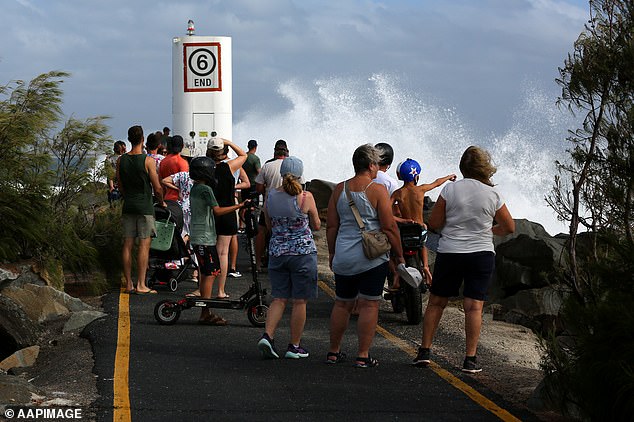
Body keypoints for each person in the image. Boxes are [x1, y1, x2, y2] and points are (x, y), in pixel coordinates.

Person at [412, 146, 515, 373]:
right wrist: (489, 231)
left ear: (463, 167)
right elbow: (509, 226)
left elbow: (436, 223)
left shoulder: (450, 190)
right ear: (484, 167)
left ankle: (425, 351)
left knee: (437, 302)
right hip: (481, 254)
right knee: (473, 307)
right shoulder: (493, 194)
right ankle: (470, 359)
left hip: (451, 251)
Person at [326, 144, 405, 368]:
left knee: (342, 304)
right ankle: (362, 355)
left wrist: (332, 253)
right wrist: (399, 257)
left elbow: (332, 226)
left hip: (344, 255)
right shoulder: (377, 190)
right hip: (371, 258)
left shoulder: (339, 189)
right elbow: (389, 227)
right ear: (371, 165)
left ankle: (333, 352)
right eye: (376, 165)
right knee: (370, 305)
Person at [257, 157, 320, 359]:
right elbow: (317, 225)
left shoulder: (271, 196)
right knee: (300, 301)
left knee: (279, 298)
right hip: (302, 254)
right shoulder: (305, 197)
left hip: (277, 252)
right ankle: (294, 346)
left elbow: (268, 225)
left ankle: (268, 335)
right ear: (301, 175)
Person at [188, 156, 249, 325]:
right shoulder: (206, 190)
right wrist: (239, 205)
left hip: (199, 235)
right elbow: (218, 211)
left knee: (209, 271)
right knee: (209, 273)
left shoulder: (195, 188)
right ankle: (205, 312)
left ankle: (206, 310)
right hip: (204, 237)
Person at [390, 158, 456, 287]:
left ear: (399, 175)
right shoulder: (421, 190)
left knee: (395, 250)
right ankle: (426, 267)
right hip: (419, 229)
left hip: (404, 229)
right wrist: (449, 176)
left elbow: (386, 212)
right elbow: (436, 183)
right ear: (416, 176)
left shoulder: (397, 194)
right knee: (423, 245)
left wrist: (402, 220)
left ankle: (397, 274)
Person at [116, 125, 165, 295]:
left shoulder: (120, 160)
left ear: (129, 139)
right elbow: (157, 188)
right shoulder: (148, 161)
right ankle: (141, 284)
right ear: (143, 139)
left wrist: (127, 196)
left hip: (128, 205)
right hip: (144, 206)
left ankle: (129, 283)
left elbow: (120, 185)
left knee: (128, 244)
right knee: (144, 244)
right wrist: (162, 202)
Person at [206, 137, 249, 297]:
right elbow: (244, 155)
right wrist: (229, 143)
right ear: (223, 151)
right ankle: (221, 290)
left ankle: (204, 288)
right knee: (223, 253)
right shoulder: (229, 167)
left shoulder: (205, 168)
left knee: (209, 251)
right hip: (228, 212)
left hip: (210, 213)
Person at [254, 140, 304, 271]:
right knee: (291, 232)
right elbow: (302, 188)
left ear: (275, 151)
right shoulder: (296, 167)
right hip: (292, 205)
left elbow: (258, 188)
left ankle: (258, 263)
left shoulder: (267, 166)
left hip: (270, 204)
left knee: (262, 231)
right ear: (287, 152)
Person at [159, 135, 189, 202]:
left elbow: (161, 183)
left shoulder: (163, 162)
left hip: (166, 198)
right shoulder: (182, 163)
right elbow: (184, 184)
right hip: (178, 199)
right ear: (183, 146)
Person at [105, 140, 127, 205]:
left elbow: (109, 174)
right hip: (120, 185)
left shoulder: (109, 159)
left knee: (114, 204)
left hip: (115, 185)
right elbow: (110, 174)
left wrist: (111, 187)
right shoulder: (125, 158)